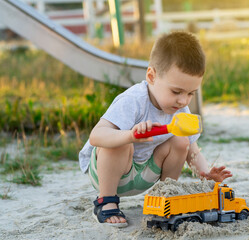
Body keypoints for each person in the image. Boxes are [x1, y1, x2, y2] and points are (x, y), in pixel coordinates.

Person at [78, 31, 232, 227]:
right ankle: (105, 201)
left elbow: (191, 150)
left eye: (191, 93)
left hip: (146, 173)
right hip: (110, 174)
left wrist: (205, 173)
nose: (183, 100)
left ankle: (166, 195)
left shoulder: (181, 110)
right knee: (121, 142)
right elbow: (96, 136)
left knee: (181, 141)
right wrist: (130, 135)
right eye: (176, 91)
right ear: (151, 76)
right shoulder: (133, 100)